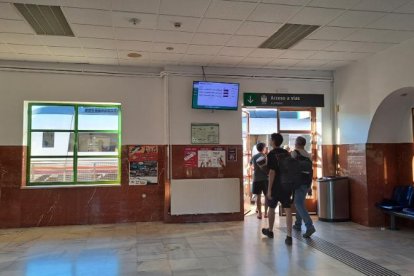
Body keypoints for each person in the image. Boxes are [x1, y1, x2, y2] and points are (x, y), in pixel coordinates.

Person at [262, 133, 293, 245]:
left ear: (274, 141)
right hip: (287, 185)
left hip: (276, 186)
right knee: (288, 209)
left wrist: (269, 189)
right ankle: (289, 236)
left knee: (271, 207)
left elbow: (272, 172)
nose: (270, 141)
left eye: (271, 139)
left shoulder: (271, 154)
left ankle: (270, 231)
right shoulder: (286, 153)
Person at [292, 136, 316, 238]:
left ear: (296, 143)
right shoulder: (308, 155)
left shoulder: (294, 153)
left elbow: (290, 167)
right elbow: (311, 171)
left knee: (298, 203)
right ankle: (298, 224)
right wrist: (310, 186)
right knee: (300, 202)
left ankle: (309, 226)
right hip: (306, 182)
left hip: (297, 182)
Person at [249, 143, 269, 219]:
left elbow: (250, 166)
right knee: (267, 196)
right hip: (265, 179)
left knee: (258, 196)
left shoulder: (254, 157)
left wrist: (255, 169)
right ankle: (266, 213)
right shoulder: (265, 156)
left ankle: (259, 214)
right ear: (263, 148)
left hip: (256, 179)